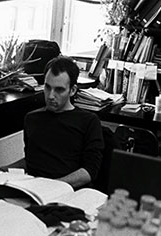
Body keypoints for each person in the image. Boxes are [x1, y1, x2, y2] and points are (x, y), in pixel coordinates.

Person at [23, 56, 104, 189]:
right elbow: (30, 161)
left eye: (59, 90)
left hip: (69, 191)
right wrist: (2, 171)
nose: (50, 96)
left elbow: (90, 171)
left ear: (72, 90)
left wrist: (53, 186)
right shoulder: (31, 119)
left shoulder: (88, 121)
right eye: (47, 87)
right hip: (33, 189)